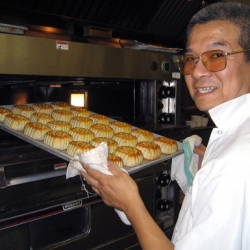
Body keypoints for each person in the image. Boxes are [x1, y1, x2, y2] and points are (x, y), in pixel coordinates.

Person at [80, 2, 250, 249]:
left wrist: (130, 204)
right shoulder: (234, 141)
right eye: (190, 59)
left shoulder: (234, 164)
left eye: (216, 56)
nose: (197, 71)